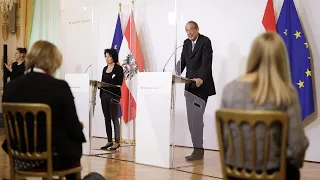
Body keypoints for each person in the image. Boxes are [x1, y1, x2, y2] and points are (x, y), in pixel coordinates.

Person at [220, 32, 309, 180]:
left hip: (235, 174)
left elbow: (225, 142)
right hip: (274, 174)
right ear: (281, 59)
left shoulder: (229, 90)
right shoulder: (286, 93)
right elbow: (297, 148)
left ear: (253, 55)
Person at [2, 40, 86, 180]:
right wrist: (78, 127)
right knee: (73, 143)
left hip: (19, 156)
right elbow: (73, 128)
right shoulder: (60, 87)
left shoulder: (10, 87)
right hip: (52, 158)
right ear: (53, 62)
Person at [177, 21, 216, 161]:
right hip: (189, 87)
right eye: (186, 30)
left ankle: (198, 151)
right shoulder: (186, 43)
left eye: (191, 29)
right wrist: (174, 73)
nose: (189, 33)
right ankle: (197, 149)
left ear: (197, 29)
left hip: (201, 86)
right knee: (191, 120)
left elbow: (207, 63)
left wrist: (200, 77)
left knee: (197, 119)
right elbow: (182, 61)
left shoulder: (205, 41)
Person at [99, 48, 124, 151]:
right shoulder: (104, 69)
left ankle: (117, 142)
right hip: (104, 96)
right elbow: (102, 82)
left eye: (109, 56)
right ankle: (109, 140)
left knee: (114, 118)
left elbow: (119, 83)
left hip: (113, 96)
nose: (107, 58)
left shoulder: (118, 68)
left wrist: (109, 86)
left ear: (113, 57)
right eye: (105, 56)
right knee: (106, 118)